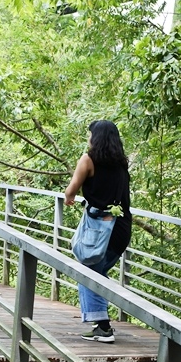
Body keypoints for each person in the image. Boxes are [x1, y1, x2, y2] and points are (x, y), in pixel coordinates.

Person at [64, 120, 132, 343]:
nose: (88, 139)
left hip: (99, 230)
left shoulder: (88, 159)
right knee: (96, 273)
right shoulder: (122, 163)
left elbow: (71, 189)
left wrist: (69, 198)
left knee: (89, 273)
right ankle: (101, 325)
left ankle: (103, 328)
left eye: (90, 134)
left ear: (96, 137)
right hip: (120, 229)